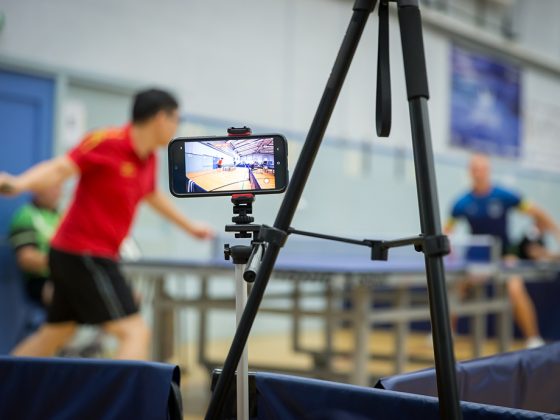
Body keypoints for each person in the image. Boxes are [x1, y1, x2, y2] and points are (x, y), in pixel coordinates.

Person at [0, 88, 214, 360]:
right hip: (83, 254)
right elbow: (60, 168)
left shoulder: (149, 158)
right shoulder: (105, 142)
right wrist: (18, 184)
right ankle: (123, 392)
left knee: (54, 335)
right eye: (176, 120)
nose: (176, 127)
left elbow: (152, 195)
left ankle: (6, 380)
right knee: (135, 333)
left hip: (76, 255)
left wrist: (189, 226)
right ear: (161, 117)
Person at [445, 153, 560, 349]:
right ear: (470, 172)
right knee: (456, 290)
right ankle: (446, 335)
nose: (479, 173)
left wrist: (556, 233)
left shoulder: (505, 195)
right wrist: (449, 252)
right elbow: (447, 231)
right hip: (477, 257)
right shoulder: (461, 203)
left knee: (515, 288)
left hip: (504, 254)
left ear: (488, 171)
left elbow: (538, 212)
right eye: (475, 169)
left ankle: (533, 338)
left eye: (482, 169)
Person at [8, 186, 61, 310]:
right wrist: (64, 263)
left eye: (58, 188)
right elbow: (26, 259)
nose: (56, 192)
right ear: (37, 190)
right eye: (51, 188)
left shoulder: (62, 216)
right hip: (41, 281)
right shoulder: (26, 215)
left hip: (66, 278)